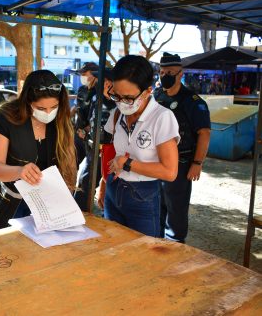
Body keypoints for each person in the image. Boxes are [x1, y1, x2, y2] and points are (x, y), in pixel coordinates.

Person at [0, 70, 77, 230]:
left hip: (46, 202)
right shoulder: (6, 119)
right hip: (10, 202)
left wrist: (67, 196)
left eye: (53, 107)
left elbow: (70, 161)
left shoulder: (60, 119)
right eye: (40, 108)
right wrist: (20, 171)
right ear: (27, 102)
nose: (48, 113)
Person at [104, 55, 180, 237]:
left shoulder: (162, 117)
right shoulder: (117, 114)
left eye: (128, 98)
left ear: (147, 91)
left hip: (143, 196)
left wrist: (128, 164)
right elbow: (112, 150)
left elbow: (170, 172)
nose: (121, 102)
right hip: (114, 188)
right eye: (117, 95)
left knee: (145, 255)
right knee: (112, 250)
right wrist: (104, 182)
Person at [155, 52, 211, 243]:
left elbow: (204, 133)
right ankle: (156, 243)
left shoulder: (192, 101)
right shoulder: (156, 96)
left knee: (176, 209)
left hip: (181, 163)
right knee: (156, 204)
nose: (165, 76)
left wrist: (197, 163)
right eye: (162, 72)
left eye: (169, 72)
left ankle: (175, 246)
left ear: (180, 73)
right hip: (155, 161)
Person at [73, 63, 116, 212]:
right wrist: (84, 131)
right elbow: (90, 119)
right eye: (102, 82)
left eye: (106, 82)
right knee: (85, 181)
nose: (103, 85)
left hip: (111, 152)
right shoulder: (96, 98)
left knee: (109, 185)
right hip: (93, 147)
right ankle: (80, 212)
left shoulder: (119, 103)